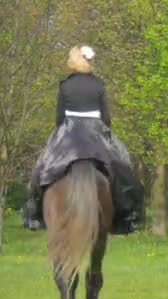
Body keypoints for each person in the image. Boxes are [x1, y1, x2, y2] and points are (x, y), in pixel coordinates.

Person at [23, 45, 144, 234]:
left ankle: (33, 213)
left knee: (40, 167)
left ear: (73, 62)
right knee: (123, 165)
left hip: (69, 133)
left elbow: (59, 117)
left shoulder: (65, 85)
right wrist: (106, 134)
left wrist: (60, 133)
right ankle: (130, 215)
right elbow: (106, 117)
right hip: (95, 132)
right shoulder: (99, 84)